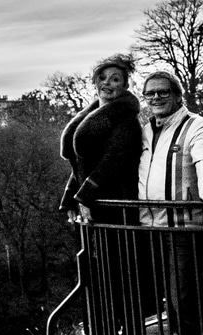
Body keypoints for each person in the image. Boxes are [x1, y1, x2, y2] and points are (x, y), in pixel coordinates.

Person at [138, 68, 203, 335]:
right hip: (150, 228)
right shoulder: (145, 130)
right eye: (150, 93)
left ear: (177, 95)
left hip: (183, 228)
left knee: (185, 302)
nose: (156, 98)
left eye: (163, 92)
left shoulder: (197, 126)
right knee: (173, 305)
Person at [59, 53, 143, 225]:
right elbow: (82, 163)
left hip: (116, 205)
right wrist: (70, 198)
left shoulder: (127, 119)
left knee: (117, 250)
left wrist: (84, 197)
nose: (106, 83)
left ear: (125, 85)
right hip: (94, 203)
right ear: (95, 82)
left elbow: (111, 164)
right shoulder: (89, 116)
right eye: (102, 78)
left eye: (115, 80)